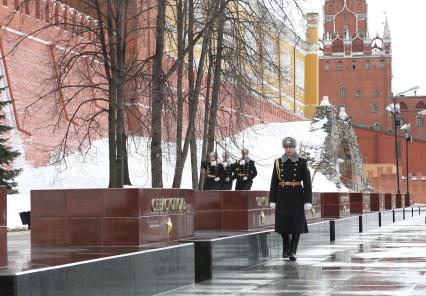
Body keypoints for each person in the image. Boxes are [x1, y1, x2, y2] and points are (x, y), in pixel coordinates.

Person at [268, 137, 312, 261]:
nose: (288, 149)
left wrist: (308, 200)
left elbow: (307, 183)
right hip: (282, 195)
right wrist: (272, 199)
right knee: (283, 224)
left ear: (294, 147)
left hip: (297, 195)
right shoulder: (278, 162)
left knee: (296, 224)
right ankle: (286, 248)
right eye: (286, 147)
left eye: (290, 147)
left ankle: (293, 250)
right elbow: (274, 182)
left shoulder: (302, 162)